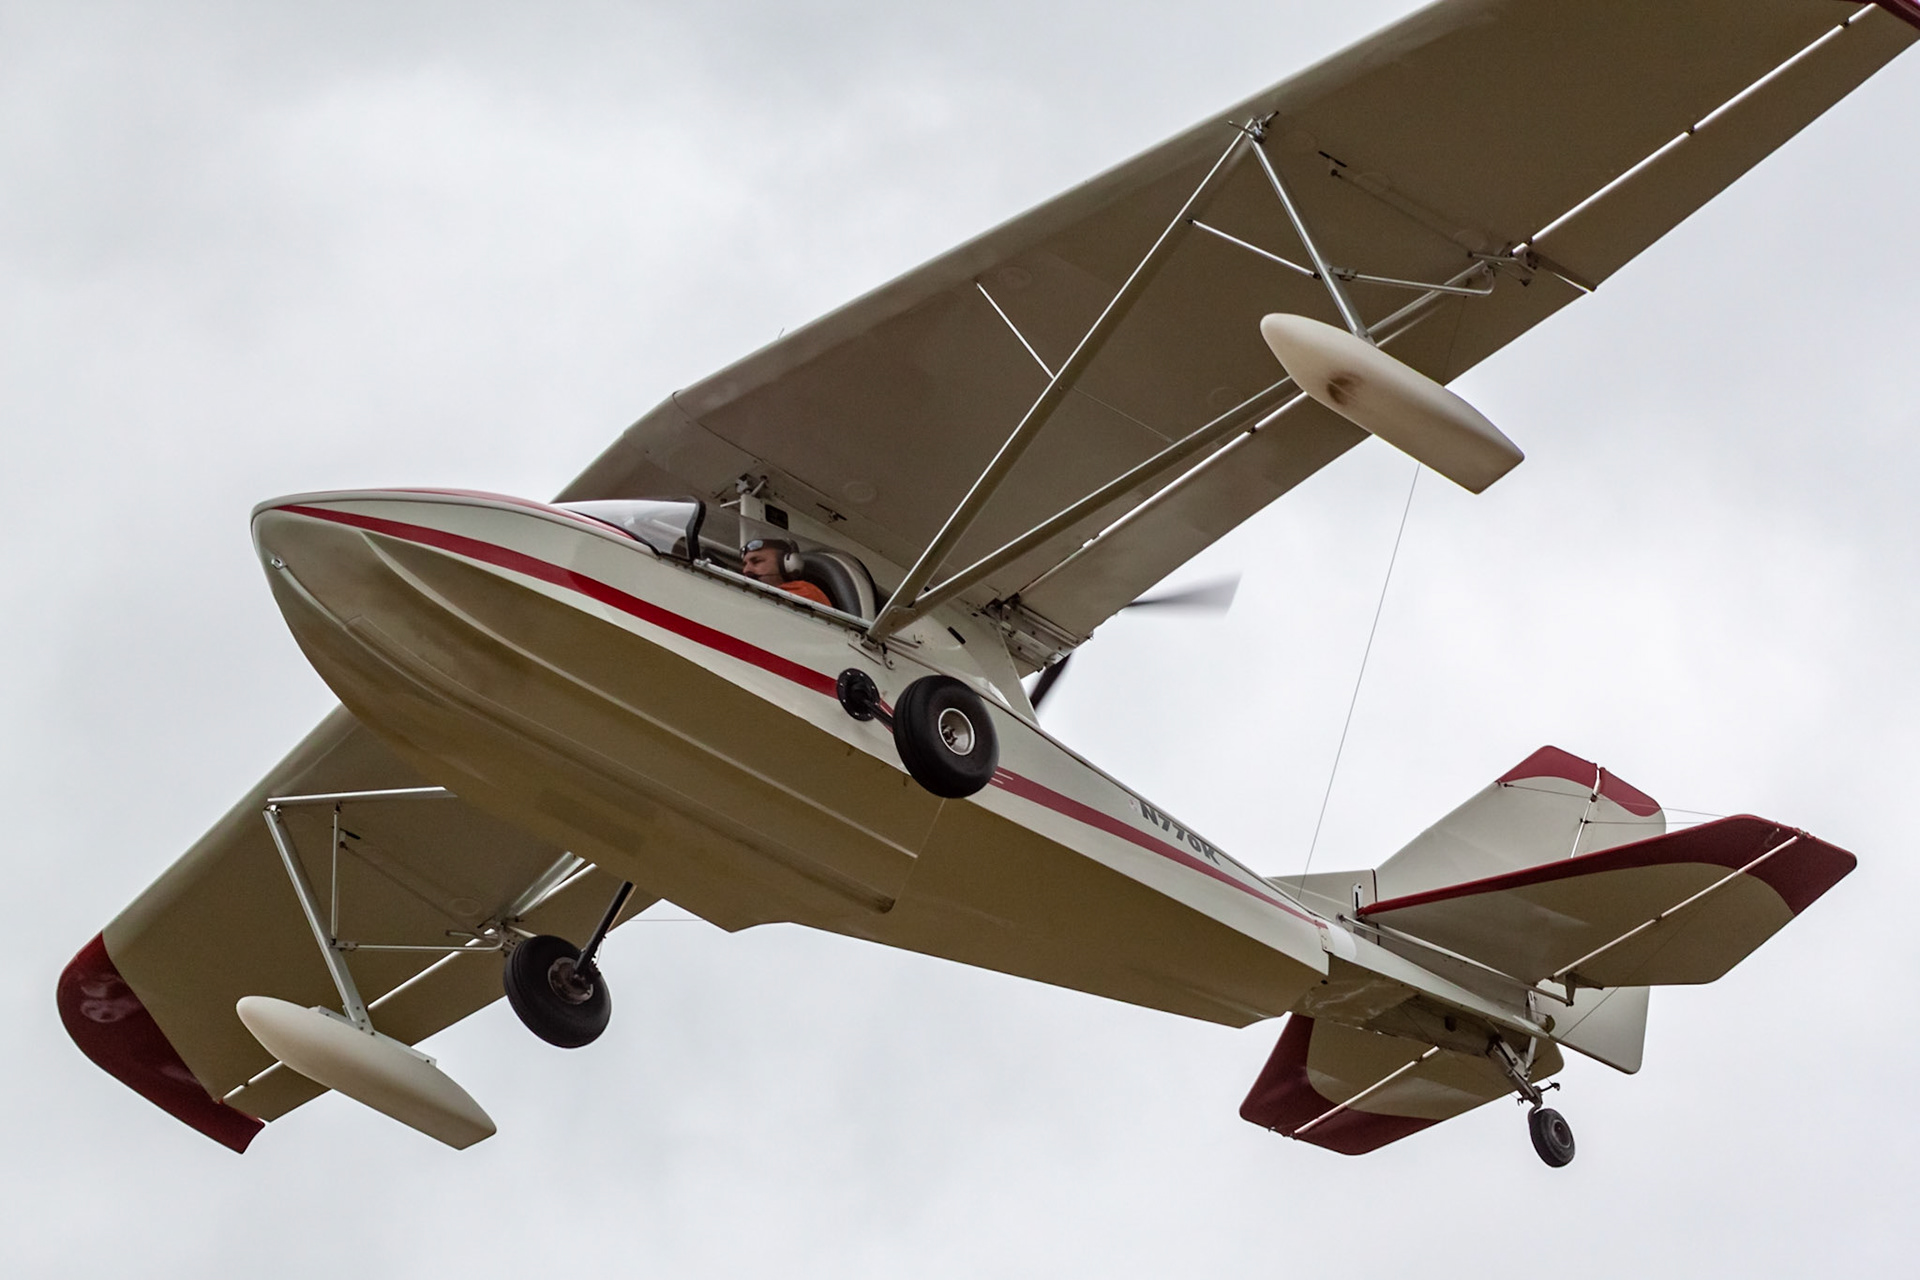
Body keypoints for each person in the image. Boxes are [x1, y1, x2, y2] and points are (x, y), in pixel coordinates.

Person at [740, 537, 832, 607]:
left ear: (787, 564)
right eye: (744, 564)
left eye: (756, 561)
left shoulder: (806, 593)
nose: (746, 570)